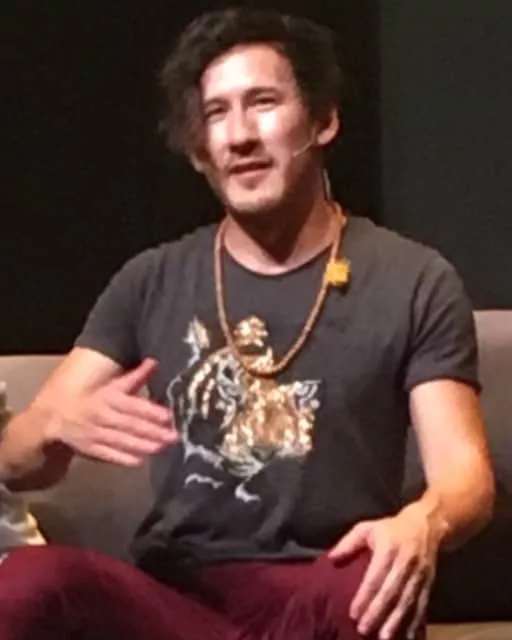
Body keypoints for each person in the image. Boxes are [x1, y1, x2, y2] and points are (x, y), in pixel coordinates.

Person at [0, 7, 494, 640]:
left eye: (263, 102)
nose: (238, 136)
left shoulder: (412, 279)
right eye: (216, 113)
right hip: (179, 600)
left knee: (371, 584)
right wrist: (52, 425)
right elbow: (17, 464)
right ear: (199, 148)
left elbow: (465, 475)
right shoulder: (152, 279)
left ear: (323, 120)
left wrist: (423, 521)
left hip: (325, 589)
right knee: (28, 581)